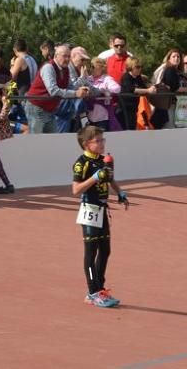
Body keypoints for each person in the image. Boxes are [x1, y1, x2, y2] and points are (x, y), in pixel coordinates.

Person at [72, 125, 129, 308]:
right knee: (91, 252)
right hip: (90, 210)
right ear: (86, 144)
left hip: (103, 209)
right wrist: (95, 178)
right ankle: (92, 292)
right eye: (98, 141)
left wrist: (120, 193)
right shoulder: (82, 163)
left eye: (103, 139)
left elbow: (110, 178)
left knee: (105, 250)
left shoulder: (103, 160)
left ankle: (100, 289)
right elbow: (76, 189)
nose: (102, 143)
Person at [26, 44, 91, 133]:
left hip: (50, 109)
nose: (67, 59)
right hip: (36, 108)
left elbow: (71, 86)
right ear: (56, 56)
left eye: (69, 56)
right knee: (36, 140)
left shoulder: (65, 69)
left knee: (53, 140)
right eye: (64, 56)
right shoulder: (48, 67)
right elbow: (53, 91)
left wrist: (82, 89)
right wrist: (76, 93)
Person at [119, 57, 156, 130]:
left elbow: (143, 87)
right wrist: (148, 90)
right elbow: (132, 89)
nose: (140, 69)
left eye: (140, 67)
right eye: (137, 67)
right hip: (126, 107)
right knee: (129, 126)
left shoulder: (138, 77)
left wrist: (153, 88)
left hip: (136, 106)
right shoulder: (126, 76)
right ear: (131, 67)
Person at [87, 57, 121, 131]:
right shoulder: (88, 79)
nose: (91, 68)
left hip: (101, 117)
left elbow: (117, 89)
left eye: (93, 66)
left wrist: (103, 91)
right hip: (87, 117)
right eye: (90, 66)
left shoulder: (106, 79)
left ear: (102, 68)